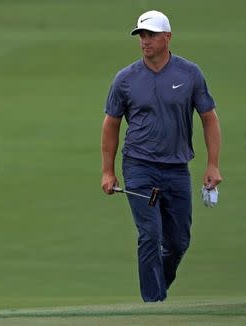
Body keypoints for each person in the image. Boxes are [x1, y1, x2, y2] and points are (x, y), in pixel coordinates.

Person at [100, 10, 222, 302]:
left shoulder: (189, 74)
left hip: (177, 168)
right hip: (139, 166)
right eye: (142, 35)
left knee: (178, 242)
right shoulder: (125, 79)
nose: (145, 41)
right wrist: (108, 170)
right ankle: (153, 303)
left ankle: (159, 290)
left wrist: (213, 164)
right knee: (149, 236)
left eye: (151, 35)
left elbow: (209, 118)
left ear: (167, 37)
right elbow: (111, 125)